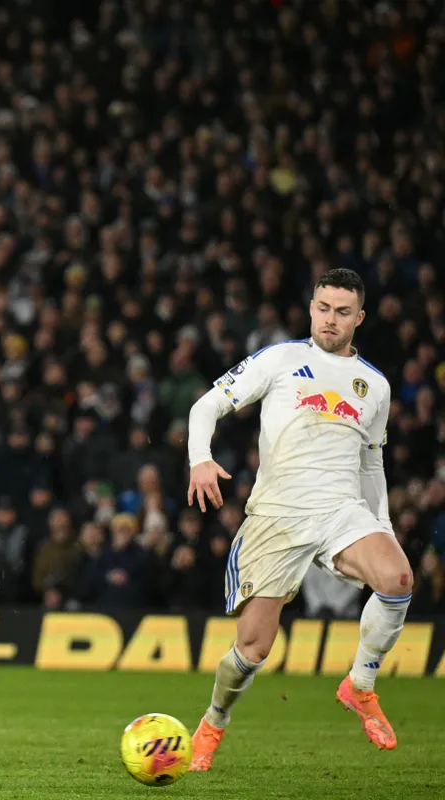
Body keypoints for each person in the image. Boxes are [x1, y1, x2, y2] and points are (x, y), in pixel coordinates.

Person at [185, 268, 411, 770]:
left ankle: (360, 685)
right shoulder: (281, 359)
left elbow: (371, 464)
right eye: (323, 308)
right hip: (278, 514)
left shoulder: (374, 385)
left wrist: (384, 526)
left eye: (343, 312)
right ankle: (214, 720)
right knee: (253, 648)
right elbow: (206, 406)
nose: (331, 320)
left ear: (360, 318)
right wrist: (200, 458)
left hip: (339, 510)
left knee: (397, 578)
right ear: (312, 308)